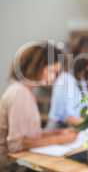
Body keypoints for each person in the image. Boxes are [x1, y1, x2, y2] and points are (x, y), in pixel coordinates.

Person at [0, 42, 77, 171]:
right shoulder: (19, 93)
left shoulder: (26, 91)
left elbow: (28, 135)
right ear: (37, 66)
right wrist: (60, 139)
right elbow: (15, 145)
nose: (53, 78)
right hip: (9, 166)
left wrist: (56, 133)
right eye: (52, 71)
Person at [47, 36, 88, 128]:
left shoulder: (82, 81)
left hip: (74, 134)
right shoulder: (65, 79)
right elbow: (68, 118)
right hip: (59, 135)